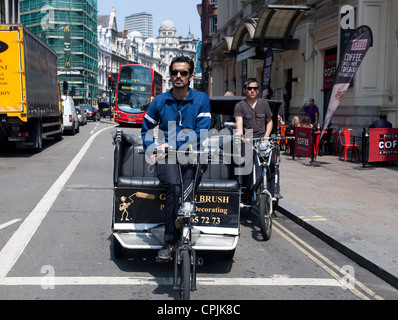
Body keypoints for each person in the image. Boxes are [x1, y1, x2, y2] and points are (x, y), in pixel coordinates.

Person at [141, 56, 211, 260]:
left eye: (183, 73)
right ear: (170, 75)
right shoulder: (160, 101)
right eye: (174, 72)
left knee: (187, 195)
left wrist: (174, 145)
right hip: (167, 158)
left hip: (192, 156)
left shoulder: (201, 99)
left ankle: (186, 234)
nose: (178, 76)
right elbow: (146, 129)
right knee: (175, 187)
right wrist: (154, 148)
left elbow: (202, 132)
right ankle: (170, 241)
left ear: (191, 76)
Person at [233, 78, 274, 203]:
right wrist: (242, 136)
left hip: (262, 139)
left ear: (258, 90)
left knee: (271, 163)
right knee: (247, 163)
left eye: (255, 88)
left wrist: (267, 135)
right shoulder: (240, 106)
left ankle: (270, 195)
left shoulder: (264, 104)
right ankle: (247, 192)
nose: (252, 91)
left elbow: (269, 121)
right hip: (249, 138)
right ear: (245, 90)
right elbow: (239, 125)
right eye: (249, 88)